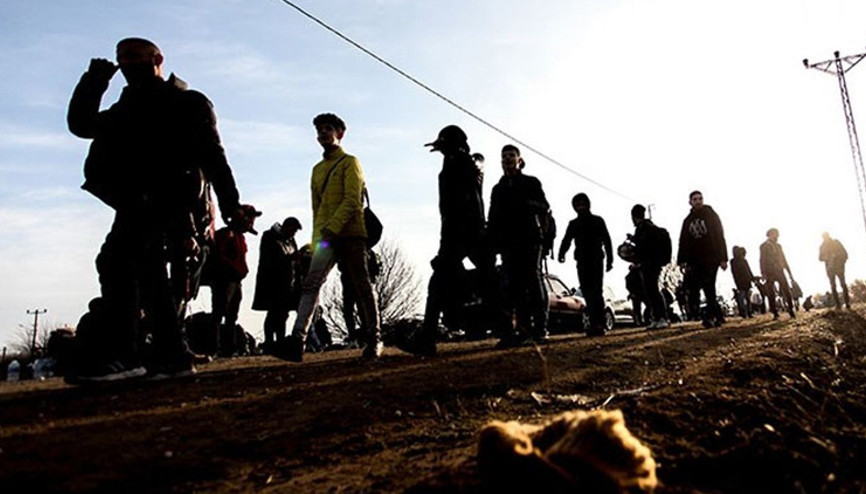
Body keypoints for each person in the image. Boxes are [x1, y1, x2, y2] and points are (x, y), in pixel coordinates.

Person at [65, 37, 245, 382]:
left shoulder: (187, 102)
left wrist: (230, 204)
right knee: (140, 271)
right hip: (134, 200)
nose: (127, 63)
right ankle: (169, 355)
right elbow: (82, 125)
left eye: (134, 56)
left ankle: (132, 354)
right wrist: (95, 81)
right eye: (122, 59)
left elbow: (214, 157)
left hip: (171, 201)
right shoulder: (125, 107)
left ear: (157, 59)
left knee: (124, 263)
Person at [275, 113, 382, 363]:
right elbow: (317, 209)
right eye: (319, 130)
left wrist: (332, 228)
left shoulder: (350, 162)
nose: (323, 133)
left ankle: (374, 338)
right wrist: (315, 243)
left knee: (361, 284)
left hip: (351, 234)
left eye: (328, 129)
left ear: (340, 133)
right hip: (325, 237)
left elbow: (352, 200)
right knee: (311, 284)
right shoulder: (317, 170)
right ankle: (297, 340)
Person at [412, 125, 495, 356]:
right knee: (482, 281)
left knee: (442, 283)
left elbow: (459, 201)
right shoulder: (461, 162)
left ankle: (428, 337)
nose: (439, 150)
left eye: (442, 145)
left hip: (463, 232)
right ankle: (427, 338)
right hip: (464, 231)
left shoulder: (461, 163)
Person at [487, 144, 551, 345]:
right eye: (504, 156)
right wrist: (492, 241)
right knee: (510, 288)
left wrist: (525, 205)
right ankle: (515, 332)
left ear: (519, 159)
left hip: (530, 240)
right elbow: (493, 217)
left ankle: (540, 329)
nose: (507, 158)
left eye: (511, 155)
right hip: (507, 243)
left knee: (533, 283)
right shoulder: (498, 189)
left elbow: (544, 207)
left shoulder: (531, 183)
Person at [557, 193, 613, 336]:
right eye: (577, 205)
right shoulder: (574, 224)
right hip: (582, 261)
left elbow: (607, 240)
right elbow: (567, 239)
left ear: (588, 204)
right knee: (587, 292)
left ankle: (599, 324)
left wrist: (610, 260)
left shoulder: (598, 221)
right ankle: (594, 323)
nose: (580, 207)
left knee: (596, 292)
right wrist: (561, 253)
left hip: (596, 260)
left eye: (583, 204)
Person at [676, 190, 728, 328]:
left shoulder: (711, 215)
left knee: (708, 284)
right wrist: (682, 261)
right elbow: (683, 241)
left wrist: (723, 258)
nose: (698, 201)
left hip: (712, 257)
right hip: (696, 259)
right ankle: (718, 315)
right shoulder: (687, 221)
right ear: (690, 202)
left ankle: (709, 317)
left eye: (700, 198)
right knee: (705, 288)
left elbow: (719, 236)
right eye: (695, 199)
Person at [251, 217, 303, 353]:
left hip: (287, 284)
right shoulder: (269, 237)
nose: (293, 234)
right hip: (272, 283)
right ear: (286, 227)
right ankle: (270, 341)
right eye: (292, 231)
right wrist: (291, 258)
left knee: (283, 314)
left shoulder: (290, 241)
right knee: (273, 313)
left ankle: (279, 341)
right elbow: (268, 260)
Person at [628, 204, 670, 329]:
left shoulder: (645, 229)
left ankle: (662, 318)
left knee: (652, 290)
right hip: (651, 263)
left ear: (634, 217)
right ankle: (658, 318)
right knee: (650, 291)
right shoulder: (647, 228)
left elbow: (645, 246)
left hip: (649, 263)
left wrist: (634, 243)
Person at [338, 248, 381, 348]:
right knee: (351, 312)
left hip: (358, 285)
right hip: (350, 284)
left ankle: (364, 338)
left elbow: (375, 270)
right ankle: (355, 337)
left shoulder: (369, 253)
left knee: (360, 312)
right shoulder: (368, 252)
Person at [759, 228, 796, 320]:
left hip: (779, 270)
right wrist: (763, 272)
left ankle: (791, 310)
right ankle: (774, 312)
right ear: (770, 235)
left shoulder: (779, 246)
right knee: (771, 293)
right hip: (769, 272)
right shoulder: (764, 246)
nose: (777, 237)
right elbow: (762, 260)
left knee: (786, 290)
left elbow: (784, 258)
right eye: (776, 234)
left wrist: (789, 272)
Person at [819, 232, 851, 309]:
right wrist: (827, 257)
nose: (825, 238)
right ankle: (838, 304)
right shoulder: (822, 246)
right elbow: (820, 258)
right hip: (830, 269)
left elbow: (845, 254)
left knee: (843, 284)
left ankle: (847, 303)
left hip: (839, 267)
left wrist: (840, 260)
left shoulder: (836, 242)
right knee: (833, 286)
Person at [730, 246, 757, 318]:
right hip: (744, 280)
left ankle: (745, 312)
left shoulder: (734, 261)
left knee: (744, 297)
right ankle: (746, 312)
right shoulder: (741, 261)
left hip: (742, 280)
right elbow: (748, 270)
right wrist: (752, 278)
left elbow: (747, 270)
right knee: (745, 296)